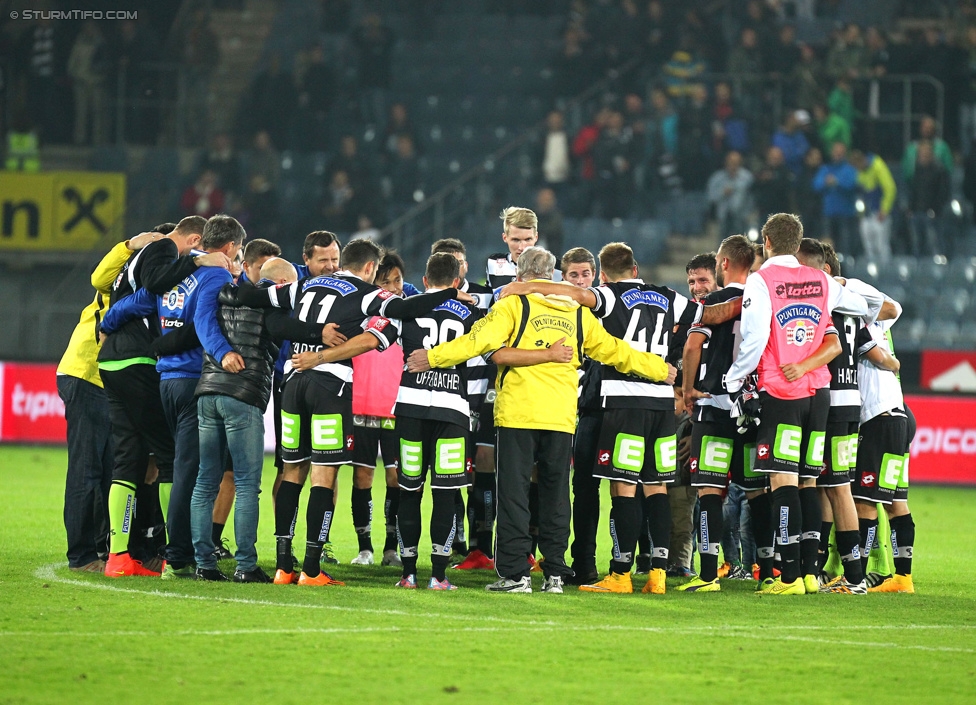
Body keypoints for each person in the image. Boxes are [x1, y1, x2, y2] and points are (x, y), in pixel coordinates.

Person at [409, 247, 676, 594]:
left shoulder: (513, 305)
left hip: (519, 413)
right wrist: (659, 368)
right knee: (555, 497)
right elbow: (616, 350)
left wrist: (431, 357)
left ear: (520, 275)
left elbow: (476, 342)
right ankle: (554, 574)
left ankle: (516, 574)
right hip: (561, 416)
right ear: (553, 276)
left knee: (514, 496)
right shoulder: (577, 314)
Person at [232, 239, 471, 586]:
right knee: (324, 477)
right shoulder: (365, 293)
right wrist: (448, 296)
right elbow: (404, 310)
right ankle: (312, 569)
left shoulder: (306, 284)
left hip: (292, 382)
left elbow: (256, 299)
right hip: (331, 385)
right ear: (371, 268)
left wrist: (229, 293)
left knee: (291, 472)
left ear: (341, 260)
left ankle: (284, 565)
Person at [724, 213, 882, 595]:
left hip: (783, 391)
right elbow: (865, 305)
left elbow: (756, 336)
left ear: (767, 240)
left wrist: (734, 377)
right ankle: (811, 573)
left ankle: (790, 577)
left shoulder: (762, 281)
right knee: (810, 480)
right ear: (797, 242)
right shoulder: (821, 280)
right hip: (820, 394)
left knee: (783, 481)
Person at [100, 215, 245, 580]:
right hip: (188, 378)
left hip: (159, 377)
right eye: (238, 252)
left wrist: (106, 323)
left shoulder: (174, 275)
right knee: (179, 467)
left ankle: (120, 555)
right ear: (228, 248)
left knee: (129, 459)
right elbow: (203, 325)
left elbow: (138, 301)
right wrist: (223, 352)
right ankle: (177, 556)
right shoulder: (212, 273)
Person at [58, 230, 161, 573]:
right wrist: (130, 245)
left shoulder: (146, 287)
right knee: (87, 471)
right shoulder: (119, 277)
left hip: (111, 381)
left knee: (108, 473)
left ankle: (104, 549)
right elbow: (97, 276)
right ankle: (82, 555)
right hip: (88, 374)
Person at [853, 302, 916, 594]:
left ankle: (858, 579)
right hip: (899, 416)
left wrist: (892, 362)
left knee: (863, 501)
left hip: (878, 420)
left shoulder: (858, 329)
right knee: (894, 503)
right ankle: (903, 577)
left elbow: (885, 359)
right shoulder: (878, 328)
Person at [813, 142, 859, 257]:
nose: (837, 155)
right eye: (836, 152)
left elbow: (852, 184)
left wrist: (837, 182)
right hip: (828, 213)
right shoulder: (825, 169)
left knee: (845, 244)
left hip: (846, 214)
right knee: (827, 243)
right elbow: (815, 185)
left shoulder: (850, 169)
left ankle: (845, 267)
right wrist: (825, 182)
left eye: (840, 153)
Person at [850, 149, 896, 265]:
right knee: (868, 244)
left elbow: (890, 188)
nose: (857, 169)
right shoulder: (859, 171)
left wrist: (884, 209)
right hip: (867, 213)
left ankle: (885, 270)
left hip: (879, 212)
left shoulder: (877, 165)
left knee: (881, 244)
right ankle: (871, 271)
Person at [707, 151, 754, 239]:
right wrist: (722, 193)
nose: (733, 164)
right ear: (726, 162)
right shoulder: (717, 178)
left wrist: (748, 213)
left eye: (736, 162)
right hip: (722, 217)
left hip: (741, 218)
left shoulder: (747, 178)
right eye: (731, 162)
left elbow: (751, 197)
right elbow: (710, 197)